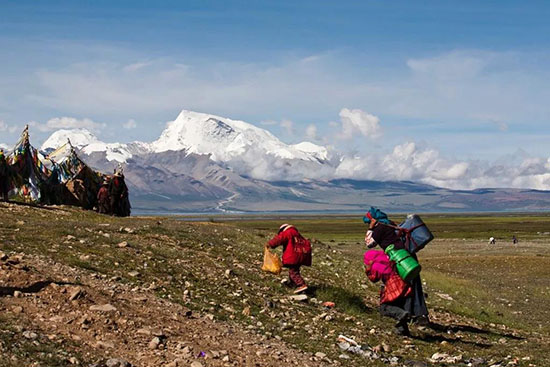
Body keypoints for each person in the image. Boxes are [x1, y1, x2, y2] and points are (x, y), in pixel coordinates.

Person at [363, 207, 430, 326]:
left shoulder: (380, 228)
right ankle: (416, 315)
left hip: (399, 259)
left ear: (373, 219)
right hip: (408, 257)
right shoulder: (390, 224)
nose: (368, 222)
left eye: (369, 220)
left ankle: (415, 316)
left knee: (405, 286)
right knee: (412, 284)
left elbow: (369, 243)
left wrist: (371, 228)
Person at [364, 249, 412, 336]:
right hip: (404, 283)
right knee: (397, 305)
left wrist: (368, 270)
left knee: (384, 308)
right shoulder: (387, 259)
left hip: (394, 284)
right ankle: (403, 330)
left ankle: (401, 314)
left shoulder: (376, 265)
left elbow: (374, 278)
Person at [267, 224, 312, 294]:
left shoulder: (288, 232)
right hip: (301, 255)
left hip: (294, 256)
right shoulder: (297, 234)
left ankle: (301, 284)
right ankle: (293, 284)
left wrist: (270, 244)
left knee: (293, 272)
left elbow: (279, 239)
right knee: (294, 270)